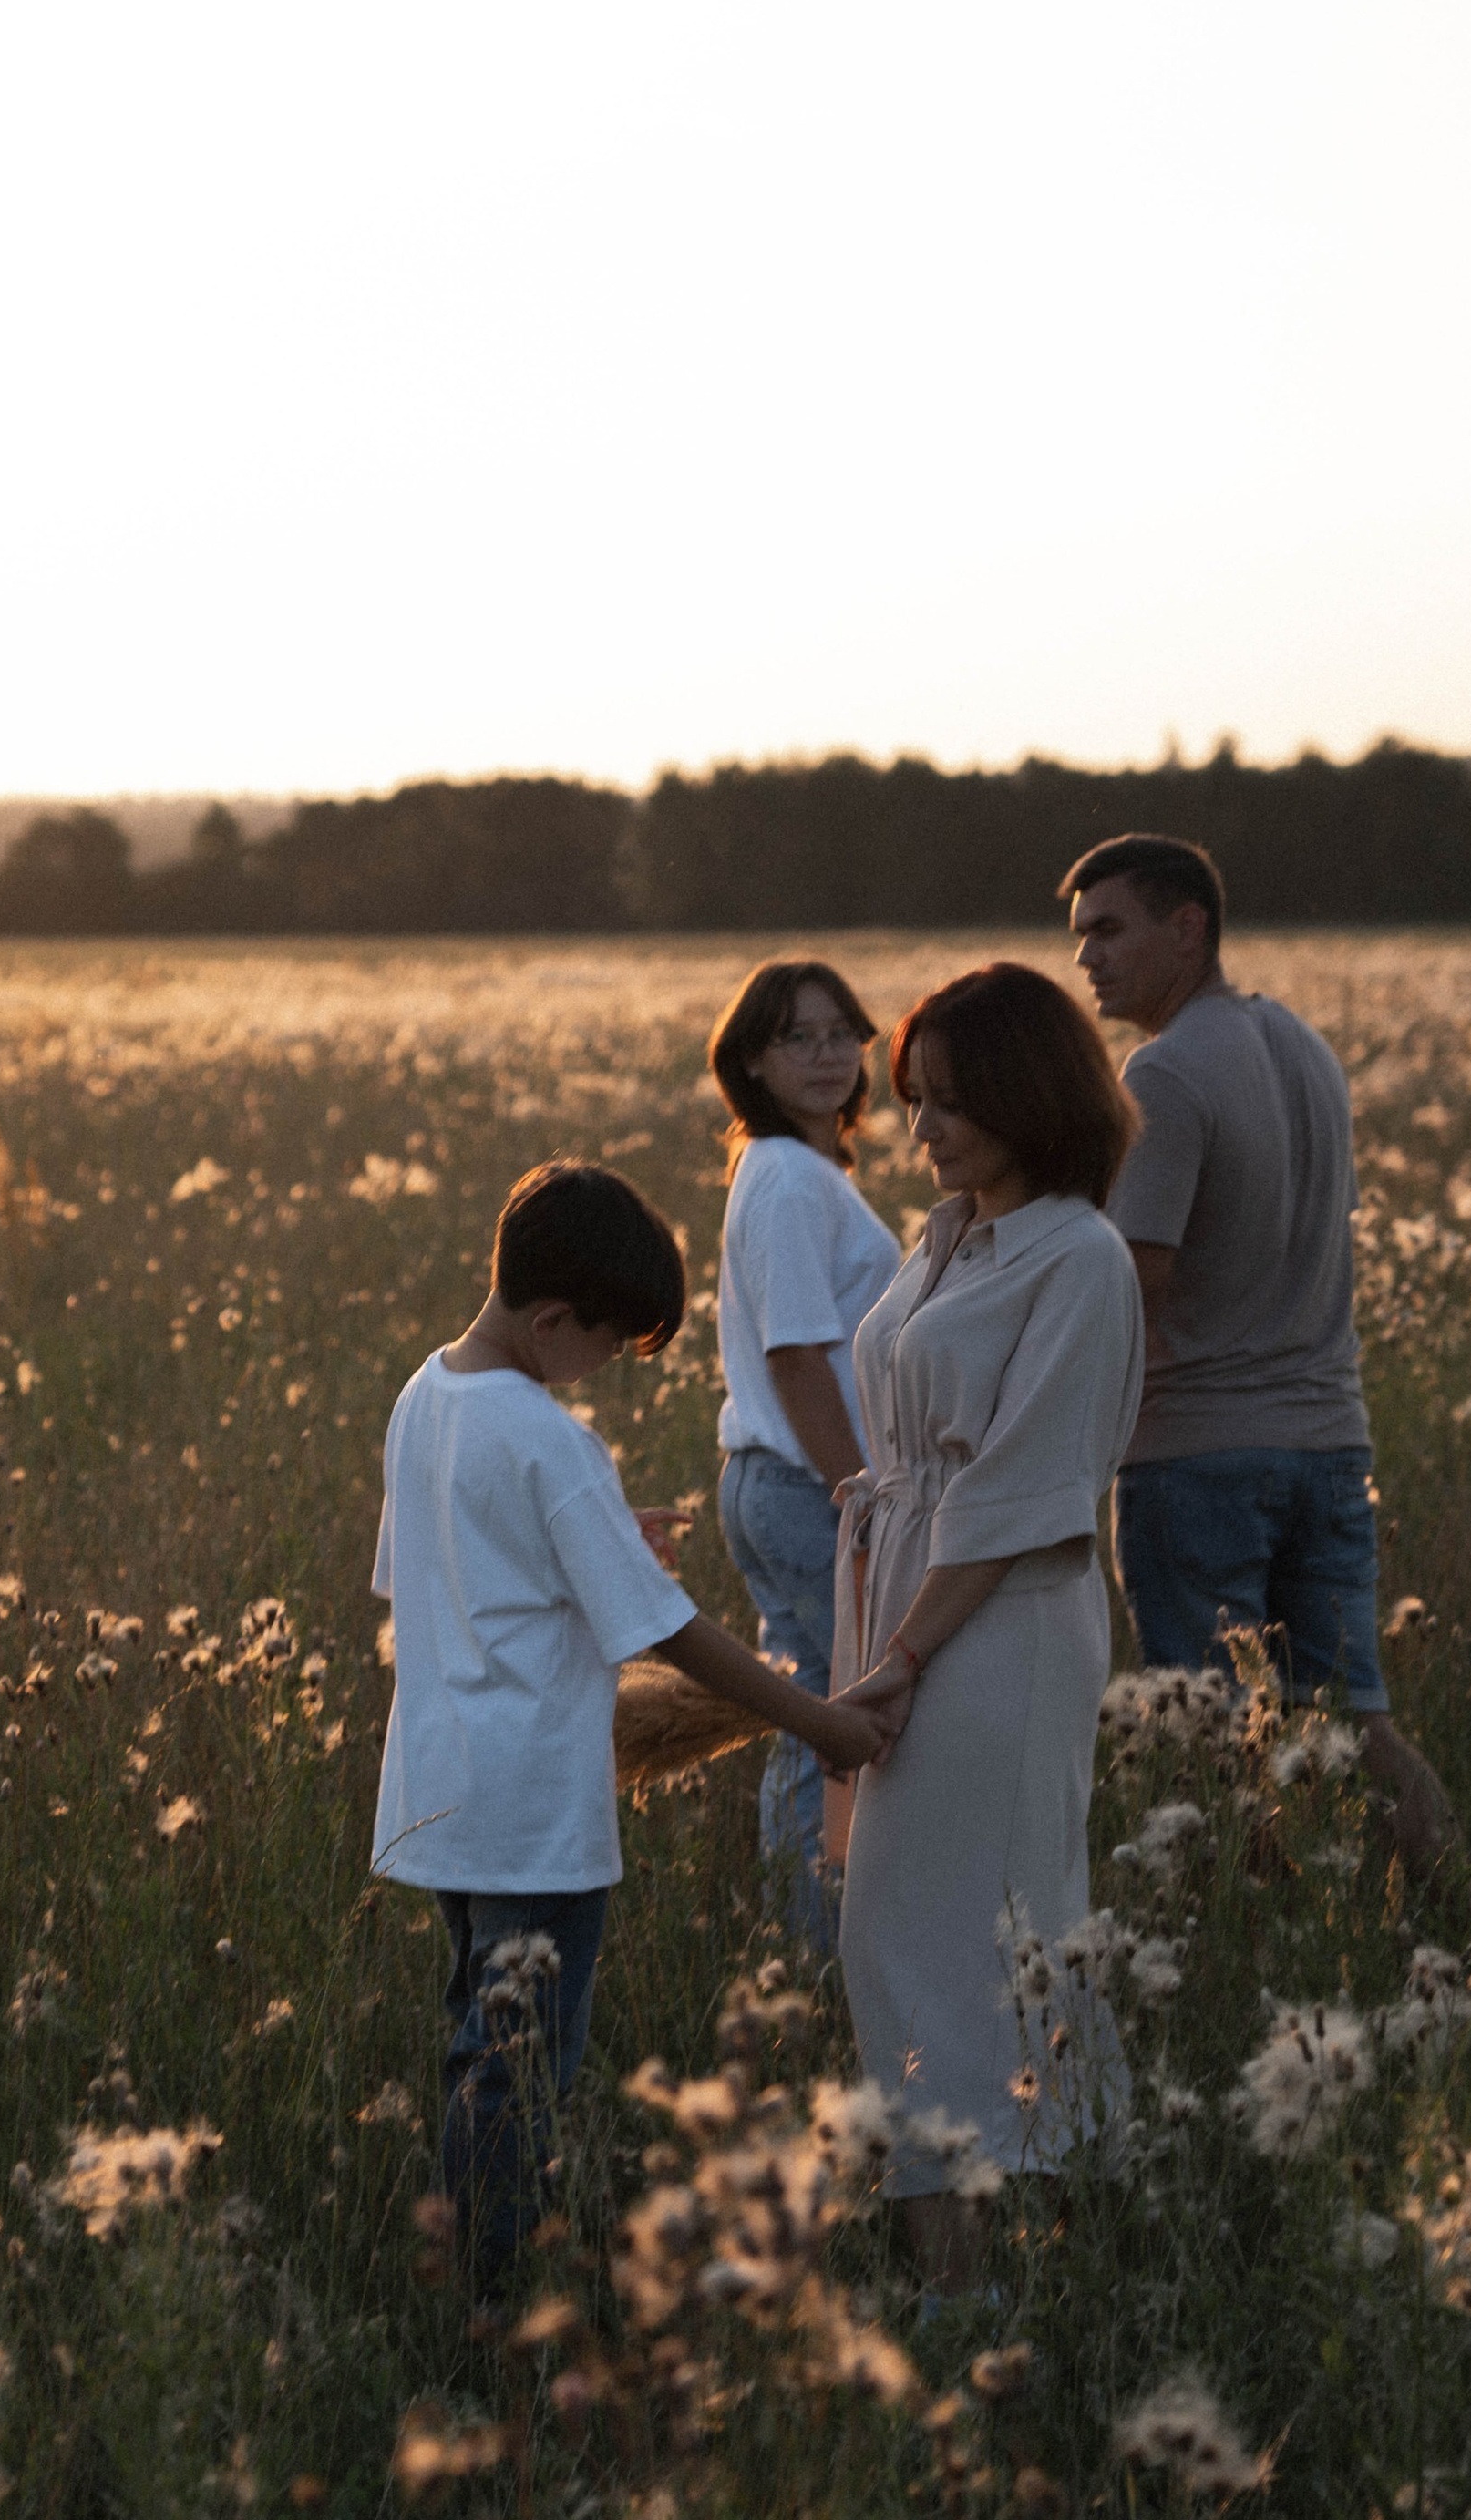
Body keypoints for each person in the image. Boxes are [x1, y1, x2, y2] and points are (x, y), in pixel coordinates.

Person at [371, 1158, 890, 2289]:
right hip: (534, 1811)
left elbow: (442, 1565)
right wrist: (817, 1721)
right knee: (521, 2072)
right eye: (607, 1343)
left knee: (478, 2047)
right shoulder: (550, 1439)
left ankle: (470, 2271)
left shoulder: (424, 1394)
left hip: (441, 1793)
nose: (603, 1364)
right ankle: (502, 2297)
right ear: (553, 1320)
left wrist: (602, 1540)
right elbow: (670, 1634)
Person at [834, 965, 1145, 2293]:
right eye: (913, 1099)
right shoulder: (950, 1237)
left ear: (1031, 1093)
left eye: (953, 1102)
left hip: (996, 1624)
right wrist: (882, 1636)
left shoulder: (1079, 1258)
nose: (924, 1128)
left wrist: (901, 1658)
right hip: (913, 1599)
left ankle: (983, 2274)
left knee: (968, 1938)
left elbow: (1019, 1493)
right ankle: (995, 2260)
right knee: (908, 1934)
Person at [1062, 833, 1456, 1872]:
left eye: (1109, 929)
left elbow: (1133, 1276)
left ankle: (1256, 1936)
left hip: (1197, 1460)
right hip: (1331, 1446)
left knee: (1213, 1741)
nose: (1086, 957)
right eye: (1080, 935)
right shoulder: (1306, 1048)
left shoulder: (1163, 1071)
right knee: (1357, 1724)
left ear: (1188, 926)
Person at [705, 959, 902, 1958]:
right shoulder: (785, 1175)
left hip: (788, 1483)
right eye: (797, 1037)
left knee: (816, 1716)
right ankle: (820, 1946)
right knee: (833, 1722)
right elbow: (794, 1352)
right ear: (751, 1060)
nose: (827, 1055)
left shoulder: (801, 1172)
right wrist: (860, 1495)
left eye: (842, 1034)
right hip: (806, 1487)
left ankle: (811, 1945)